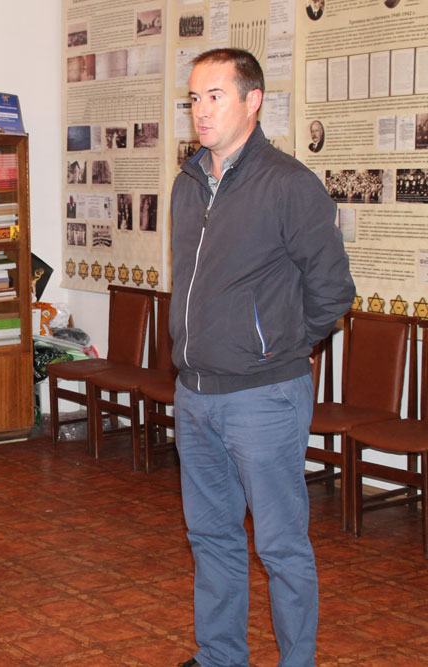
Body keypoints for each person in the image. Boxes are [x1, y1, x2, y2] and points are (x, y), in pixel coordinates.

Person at [169, 49, 354, 667]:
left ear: (253, 101)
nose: (201, 110)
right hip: (194, 393)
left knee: (280, 546)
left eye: (215, 96)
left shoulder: (288, 184)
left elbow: (332, 291)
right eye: (194, 98)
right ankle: (221, 656)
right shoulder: (187, 183)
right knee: (211, 537)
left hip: (263, 397)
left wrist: (279, 346)